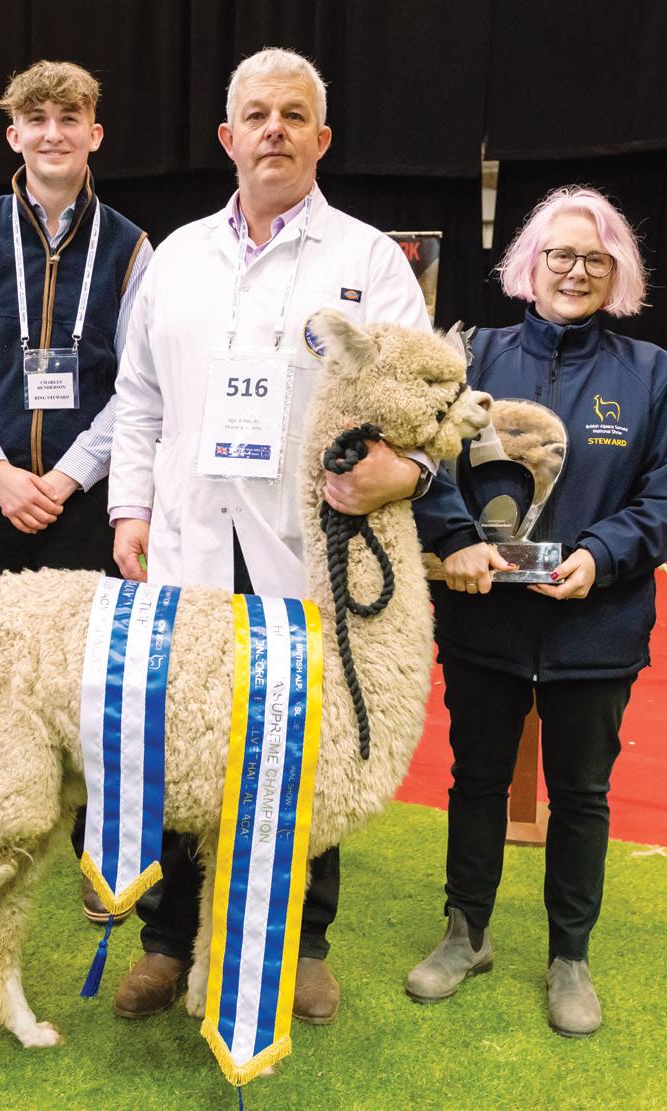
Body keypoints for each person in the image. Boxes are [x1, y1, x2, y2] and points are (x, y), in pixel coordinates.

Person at [108, 47, 433, 1025]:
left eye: (294, 115)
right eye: (256, 115)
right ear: (227, 136)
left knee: (304, 748)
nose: (274, 131)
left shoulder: (367, 261)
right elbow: (138, 399)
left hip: (308, 549)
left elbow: (421, 395)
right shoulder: (174, 258)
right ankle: (167, 938)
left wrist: (410, 470)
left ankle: (303, 944)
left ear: (322, 138)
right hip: (190, 543)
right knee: (182, 737)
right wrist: (129, 507)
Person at [408, 186, 667, 1036]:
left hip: (595, 627)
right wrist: (456, 538)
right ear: (528, 266)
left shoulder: (657, 376)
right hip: (483, 619)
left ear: (618, 273)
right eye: (560, 255)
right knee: (476, 779)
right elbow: (424, 463)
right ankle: (466, 932)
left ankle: (570, 954)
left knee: (582, 792)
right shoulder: (468, 357)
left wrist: (601, 555)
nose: (576, 272)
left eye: (596, 259)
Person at [0, 61, 152, 923]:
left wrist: (63, 477)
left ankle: (99, 852)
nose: (53, 132)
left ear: (96, 133)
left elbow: (139, 386)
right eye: (37, 118)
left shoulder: (132, 246)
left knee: (91, 682)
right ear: (13, 135)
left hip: (83, 502)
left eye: (70, 117)